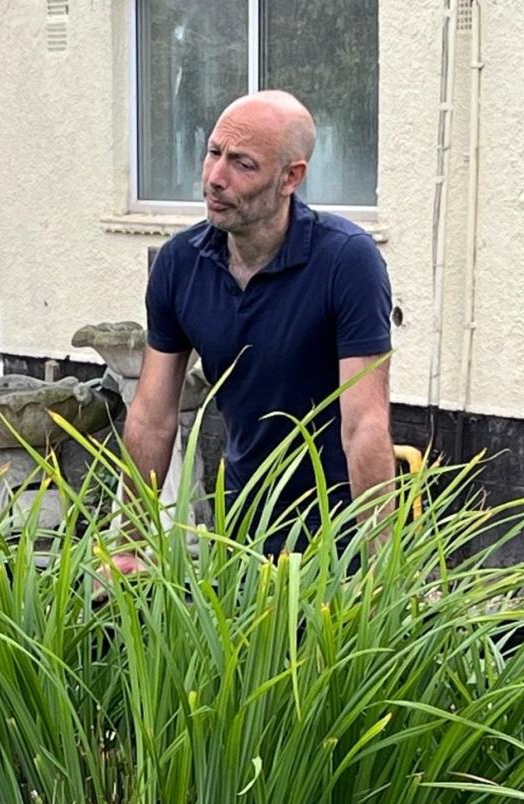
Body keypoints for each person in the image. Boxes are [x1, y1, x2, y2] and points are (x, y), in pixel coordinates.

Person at [117, 90, 395, 569]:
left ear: (291, 177)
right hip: (242, 519)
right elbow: (151, 414)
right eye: (213, 153)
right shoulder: (180, 264)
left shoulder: (346, 261)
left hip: (339, 528)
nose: (214, 178)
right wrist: (127, 543)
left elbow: (364, 424)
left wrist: (380, 569)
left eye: (242, 164)